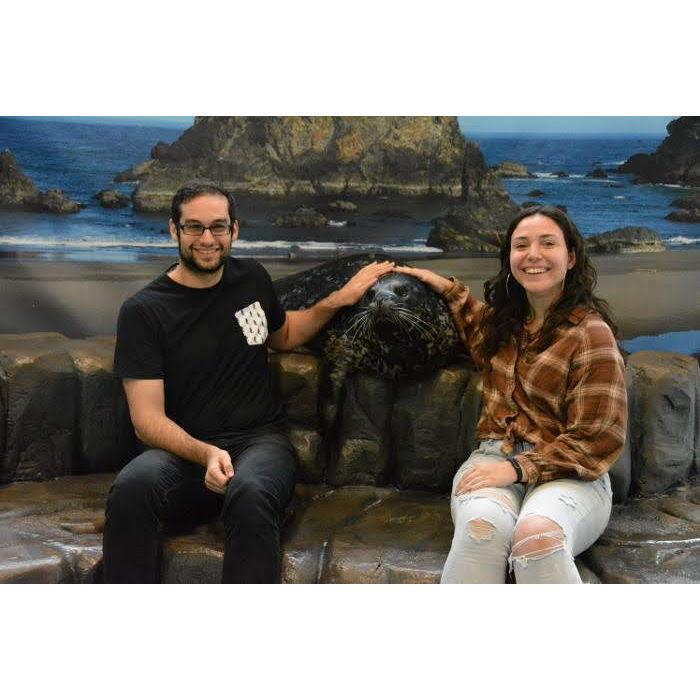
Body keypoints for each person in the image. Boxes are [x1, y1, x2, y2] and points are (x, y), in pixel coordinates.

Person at [103, 180, 394, 583]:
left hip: (259, 443)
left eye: (218, 227)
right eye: (194, 227)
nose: (207, 239)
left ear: (234, 230)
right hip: (185, 454)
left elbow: (284, 335)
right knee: (133, 487)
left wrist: (336, 300)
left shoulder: (252, 280)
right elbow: (146, 420)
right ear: (174, 230)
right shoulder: (144, 311)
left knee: (251, 493)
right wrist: (205, 454)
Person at [396, 205, 627, 583]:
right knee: (480, 531)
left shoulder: (591, 334)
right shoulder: (502, 326)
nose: (533, 254)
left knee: (537, 537)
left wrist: (517, 469)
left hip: (572, 474)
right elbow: (470, 315)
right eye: (521, 245)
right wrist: (438, 283)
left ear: (570, 258)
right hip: (493, 456)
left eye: (547, 243)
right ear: (510, 260)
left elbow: (597, 439)